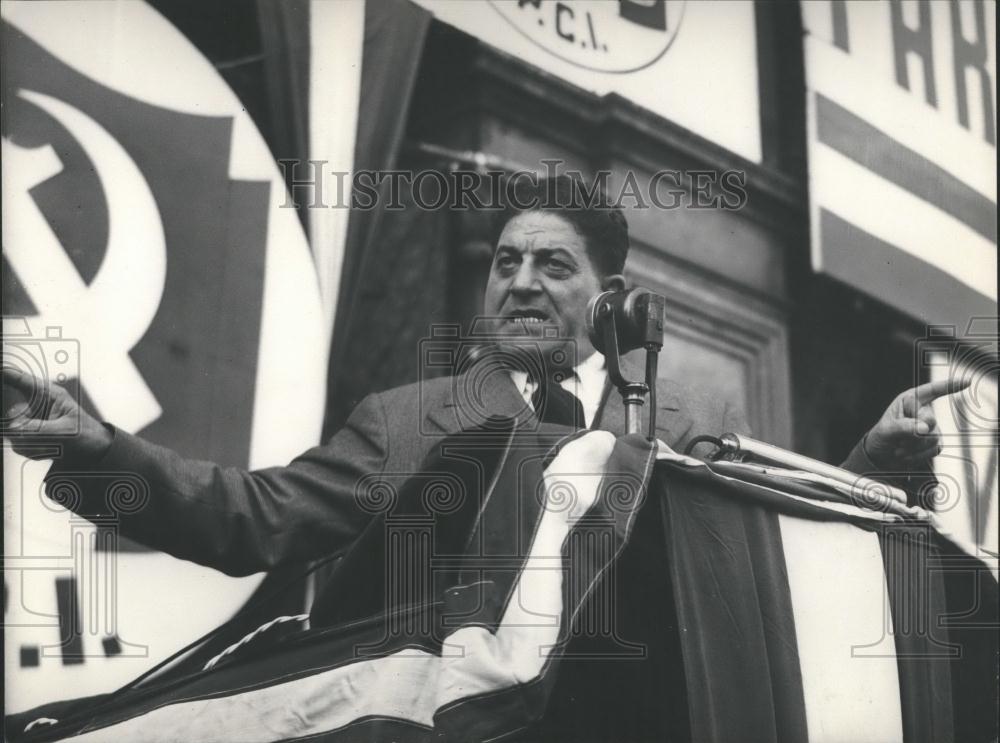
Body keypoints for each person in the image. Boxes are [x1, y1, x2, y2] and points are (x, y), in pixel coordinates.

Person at [2, 176, 965, 579]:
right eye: (506, 263)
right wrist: (96, 451)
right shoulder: (408, 419)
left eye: (551, 265)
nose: (521, 283)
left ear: (610, 295)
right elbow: (250, 517)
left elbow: (765, 560)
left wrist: (873, 463)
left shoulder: (680, 414)